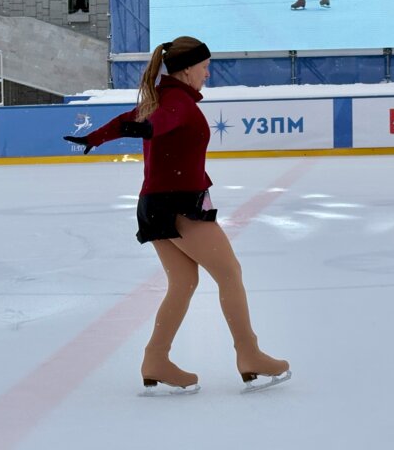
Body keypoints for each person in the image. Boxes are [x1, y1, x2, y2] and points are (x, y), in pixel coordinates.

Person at [63, 36, 291, 395]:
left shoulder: (162, 98)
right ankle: (249, 355)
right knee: (230, 273)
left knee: (183, 283)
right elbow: (163, 122)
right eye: (203, 67)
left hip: (155, 205)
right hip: (179, 204)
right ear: (186, 70)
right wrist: (145, 129)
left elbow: (132, 119)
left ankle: (156, 360)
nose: (207, 73)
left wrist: (97, 137)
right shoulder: (176, 102)